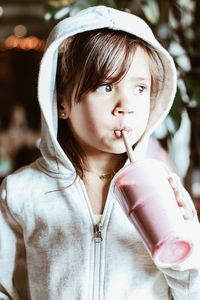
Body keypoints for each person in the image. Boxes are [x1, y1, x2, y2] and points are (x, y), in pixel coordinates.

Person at [0, 6, 200, 300]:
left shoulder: (163, 189)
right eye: (106, 86)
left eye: (140, 88)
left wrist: (187, 248)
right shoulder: (22, 191)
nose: (125, 105)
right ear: (62, 103)